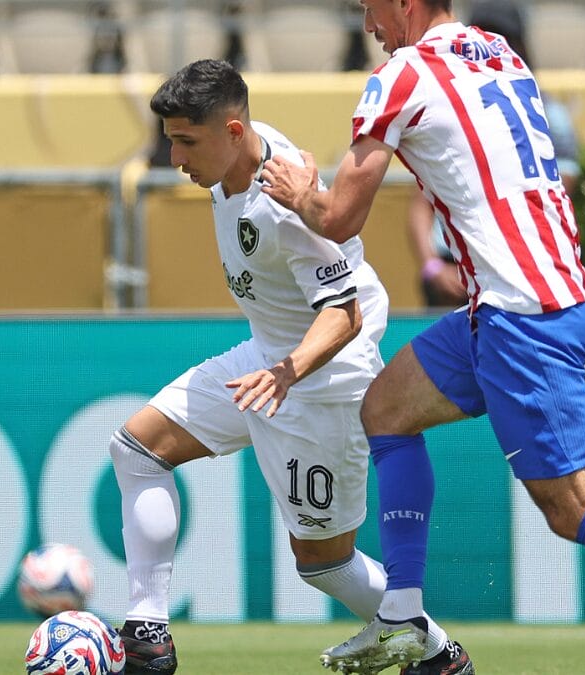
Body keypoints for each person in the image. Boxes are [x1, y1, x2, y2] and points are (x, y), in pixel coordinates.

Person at [260, 1, 585, 674]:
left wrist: (298, 190)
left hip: (521, 315)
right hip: (533, 297)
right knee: (386, 408)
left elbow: (338, 218)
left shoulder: (401, 73)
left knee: (576, 507)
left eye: (370, 7)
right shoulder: (498, 52)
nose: (367, 25)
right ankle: (401, 612)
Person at [112, 58, 473, 675]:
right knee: (137, 449)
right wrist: (273, 367)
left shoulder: (282, 201)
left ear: (231, 132)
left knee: (323, 564)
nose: (175, 157)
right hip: (268, 360)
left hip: (322, 383)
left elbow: (344, 313)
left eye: (185, 140)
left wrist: (286, 373)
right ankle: (148, 637)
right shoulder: (232, 159)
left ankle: (435, 653)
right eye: (170, 139)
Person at [407, 0, 581, 309]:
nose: (491, 44)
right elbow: (420, 202)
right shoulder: (445, 103)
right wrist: (433, 266)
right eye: (485, 33)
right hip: (452, 266)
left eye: (503, 36)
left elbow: (559, 186)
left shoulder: (546, 108)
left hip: (517, 264)